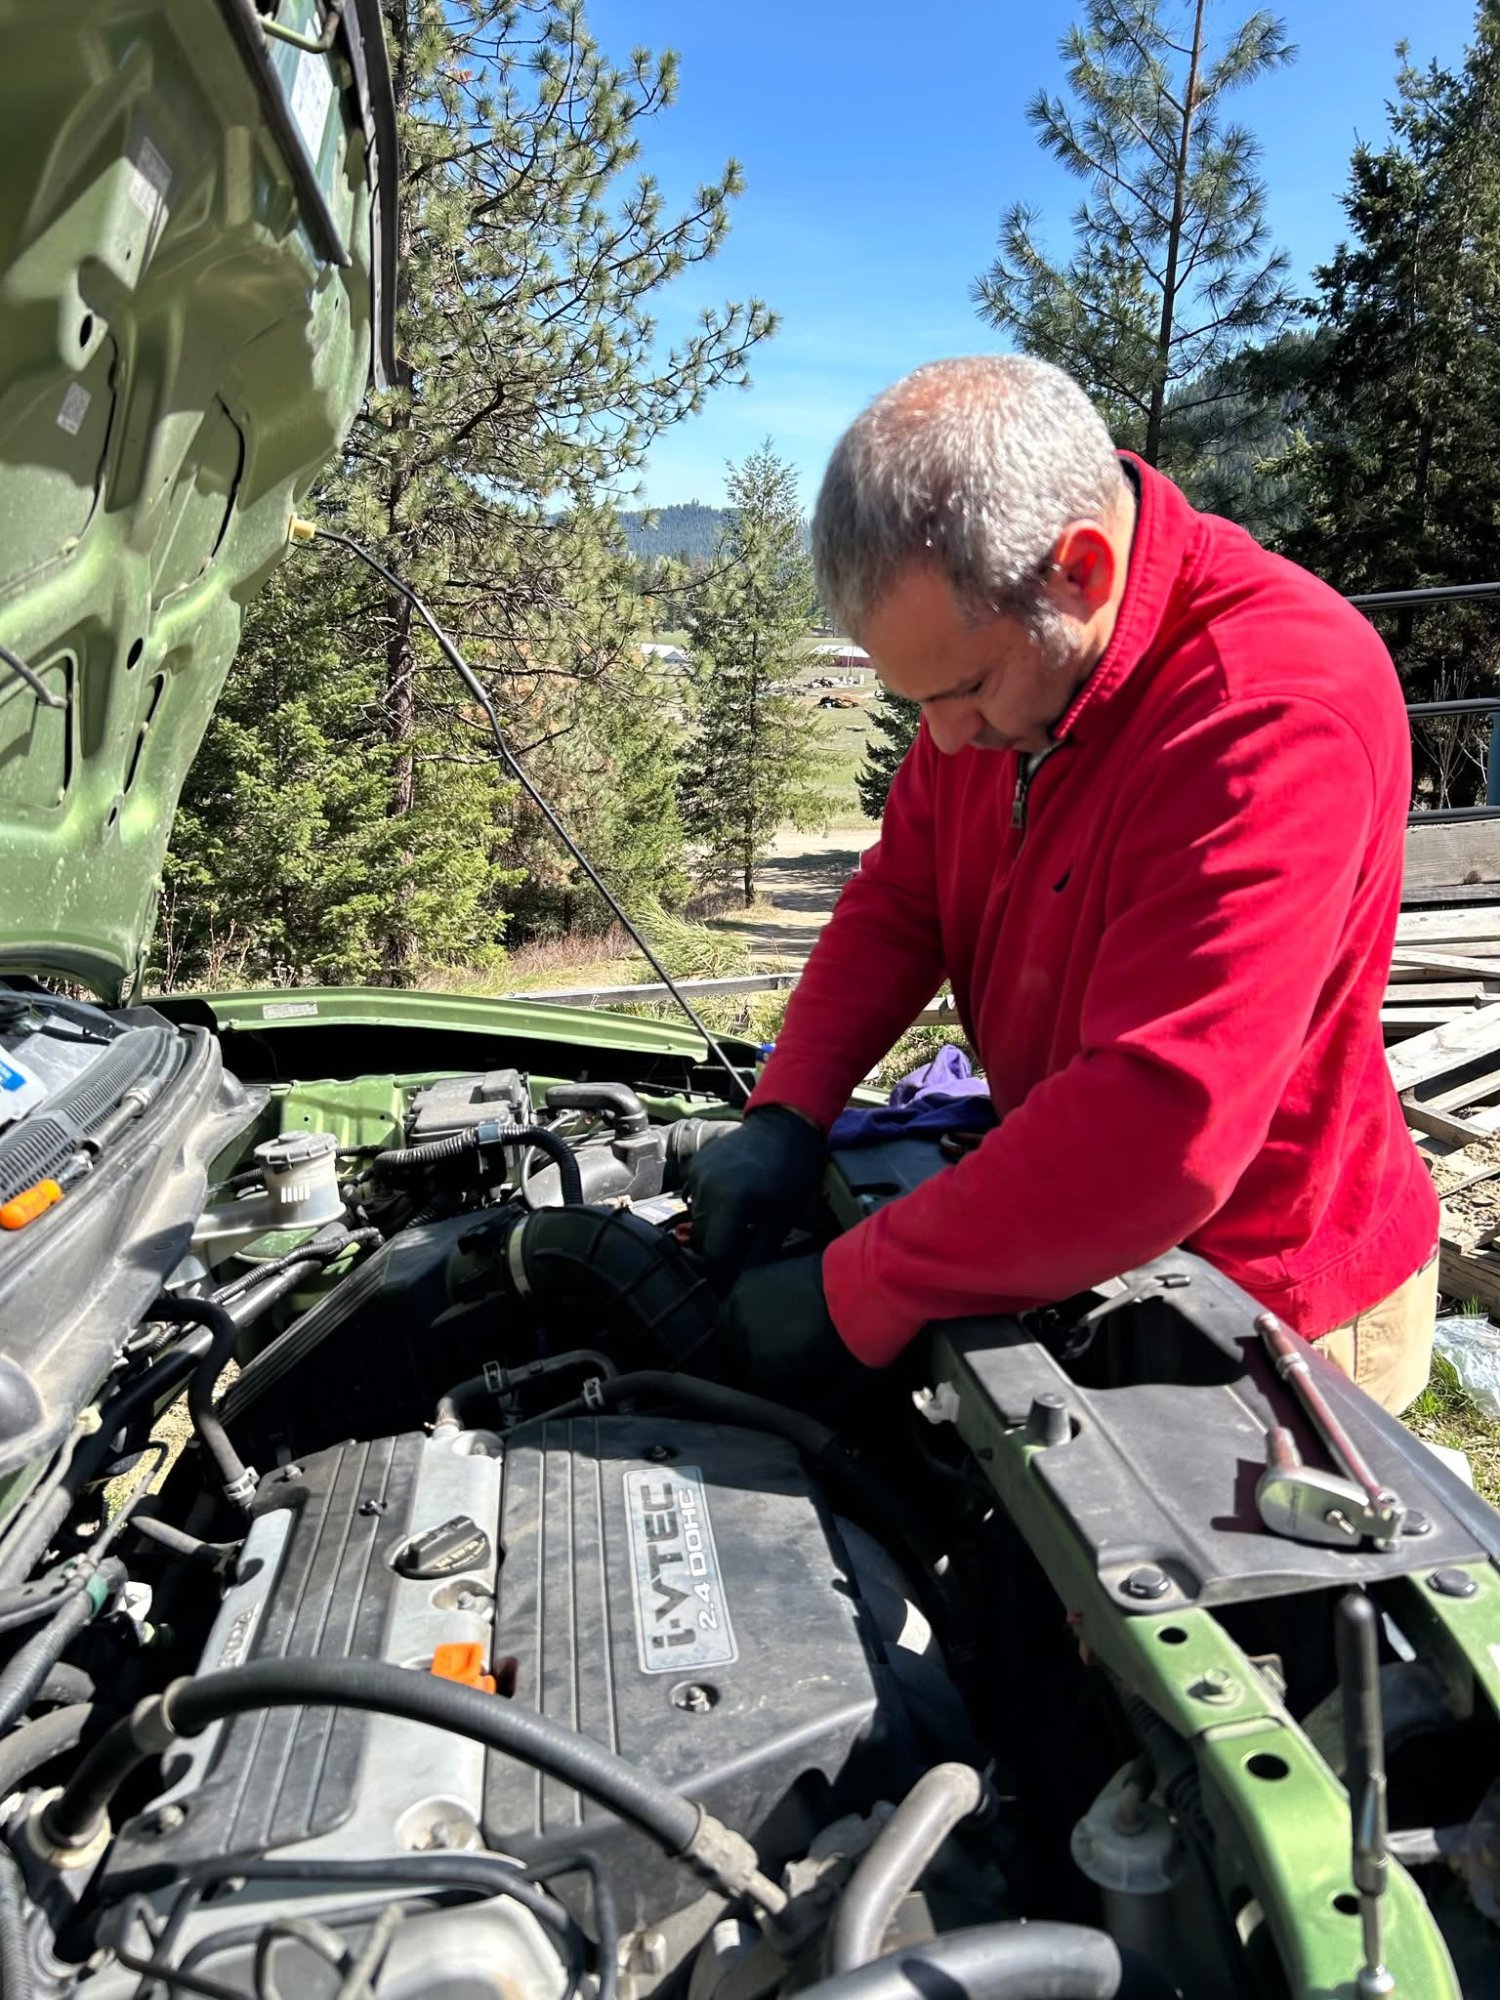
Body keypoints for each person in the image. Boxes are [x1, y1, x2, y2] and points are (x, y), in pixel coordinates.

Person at [687, 354, 1439, 1416]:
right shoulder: (1010, 666)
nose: (944, 739)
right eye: (916, 702)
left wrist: (856, 1287)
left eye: (969, 687)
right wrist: (789, 1108)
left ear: (1081, 570)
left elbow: (1157, 1132)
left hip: (1269, 1306)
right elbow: (904, 899)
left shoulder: (1271, 707)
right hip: (1078, 1235)